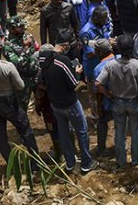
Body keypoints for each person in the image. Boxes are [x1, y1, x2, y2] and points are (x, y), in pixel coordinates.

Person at [0, 37, 39, 163]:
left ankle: (12, 165)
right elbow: (20, 85)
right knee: (25, 131)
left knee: (1, 137)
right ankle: (35, 163)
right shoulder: (7, 67)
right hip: (10, 103)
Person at [38, 39, 98, 173]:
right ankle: (86, 163)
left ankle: (70, 163)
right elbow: (73, 83)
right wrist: (77, 71)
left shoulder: (42, 61)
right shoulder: (62, 61)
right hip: (70, 103)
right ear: (64, 46)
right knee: (82, 131)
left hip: (55, 103)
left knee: (63, 132)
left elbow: (41, 81)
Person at [96, 35, 138, 169]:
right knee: (136, 132)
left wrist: (108, 95)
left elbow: (98, 84)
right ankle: (136, 161)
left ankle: (121, 161)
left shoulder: (111, 65)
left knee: (119, 133)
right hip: (135, 102)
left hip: (117, 102)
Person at [3, 16, 40, 112]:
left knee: (43, 101)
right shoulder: (7, 46)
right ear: (11, 29)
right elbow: (19, 64)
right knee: (21, 108)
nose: (23, 28)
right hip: (23, 79)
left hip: (36, 74)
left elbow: (35, 52)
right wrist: (26, 48)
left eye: (23, 26)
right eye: (19, 27)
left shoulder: (27, 36)